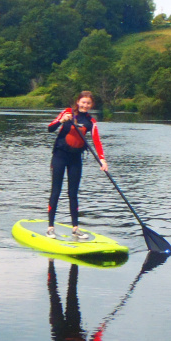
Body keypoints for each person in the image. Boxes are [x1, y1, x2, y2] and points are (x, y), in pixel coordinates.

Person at [46, 91, 107, 239]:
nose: (85, 105)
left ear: (91, 105)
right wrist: (62, 121)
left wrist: (102, 159)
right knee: (56, 190)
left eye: (88, 103)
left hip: (75, 158)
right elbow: (50, 128)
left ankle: (75, 228)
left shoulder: (91, 121)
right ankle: (50, 228)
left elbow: (96, 141)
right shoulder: (67, 113)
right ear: (78, 102)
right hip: (60, 156)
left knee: (73, 193)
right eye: (83, 102)